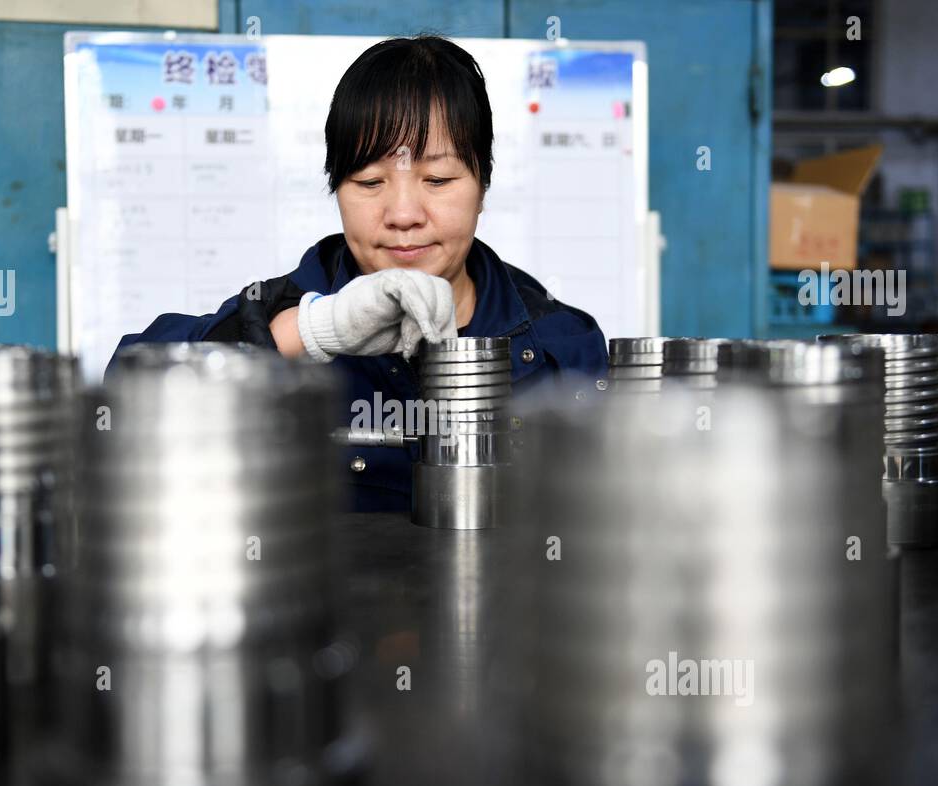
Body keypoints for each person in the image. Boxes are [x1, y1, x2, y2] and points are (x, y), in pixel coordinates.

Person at [110, 34, 608, 511]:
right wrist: (307, 331)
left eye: (438, 179)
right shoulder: (292, 309)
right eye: (370, 181)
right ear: (336, 190)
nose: (404, 213)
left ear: (483, 186)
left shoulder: (558, 348)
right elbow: (121, 400)